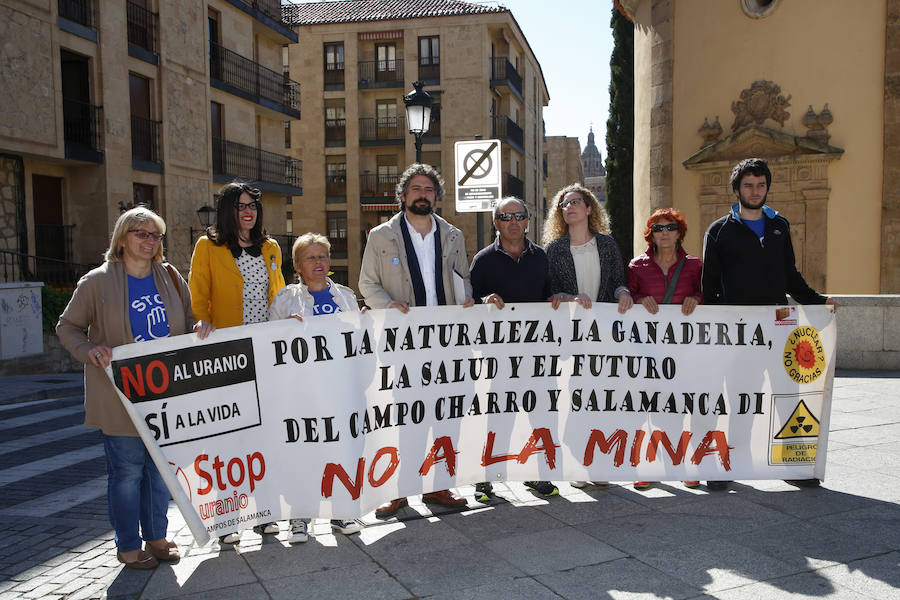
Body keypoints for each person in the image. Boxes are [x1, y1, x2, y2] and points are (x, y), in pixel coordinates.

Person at [57, 207, 214, 570]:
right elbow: (68, 327)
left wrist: (199, 327)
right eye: (141, 233)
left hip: (164, 395)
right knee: (127, 473)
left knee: (160, 472)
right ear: (122, 238)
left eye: (155, 235)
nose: (149, 240)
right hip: (119, 397)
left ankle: (157, 536)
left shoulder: (170, 276)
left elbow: (188, 320)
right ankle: (128, 545)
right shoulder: (96, 282)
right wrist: (89, 349)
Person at [702, 157, 837, 491]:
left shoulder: (780, 226)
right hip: (741, 335)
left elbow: (790, 275)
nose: (755, 191)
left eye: (761, 185)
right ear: (736, 190)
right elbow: (710, 288)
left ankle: (796, 466)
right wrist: (726, 330)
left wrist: (818, 301)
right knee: (742, 400)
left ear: (767, 188)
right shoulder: (718, 231)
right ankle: (730, 464)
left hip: (780, 329)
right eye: (748, 185)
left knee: (788, 396)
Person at [359, 163, 474, 518]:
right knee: (407, 416)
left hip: (447, 340)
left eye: (428, 189)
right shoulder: (380, 236)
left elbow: (464, 279)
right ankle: (399, 490)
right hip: (403, 342)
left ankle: (439, 485)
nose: (422, 195)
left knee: (446, 414)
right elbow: (367, 284)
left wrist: (467, 298)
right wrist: (387, 306)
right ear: (403, 195)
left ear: (436, 196)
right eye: (416, 189)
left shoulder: (453, 235)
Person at [189, 181, 285, 542]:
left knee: (264, 436)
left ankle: (265, 512)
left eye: (253, 206)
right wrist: (201, 322)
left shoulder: (270, 247)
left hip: (265, 353)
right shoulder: (208, 246)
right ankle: (227, 517)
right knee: (228, 438)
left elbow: (278, 294)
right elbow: (198, 291)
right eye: (241, 206)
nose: (248, 212)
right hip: (226, 354)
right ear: (227, 210)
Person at [269, 232, 362, 541]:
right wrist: (286, 331)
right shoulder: (285, 299)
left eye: (322, 256)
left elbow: (359, 340)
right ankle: (299, 518)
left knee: (340, 450)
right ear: (297, 266)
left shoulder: (346, 296)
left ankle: (341, 512)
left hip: (340, 390)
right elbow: (269, 344)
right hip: (302, 392)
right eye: (310, 258)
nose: (318, 262)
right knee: (303, 453)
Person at [543, 183, 631, 490]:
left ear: (589, 208)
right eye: (564, 204)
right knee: (576, 402)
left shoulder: (607, 245)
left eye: (576, 202)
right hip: (571, 339)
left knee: (603, 401)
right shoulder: (554, 249)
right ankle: (578, 463)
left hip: (605, 337)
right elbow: (550, 293)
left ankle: (599, 462)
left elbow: (619, 281)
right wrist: (568, 297)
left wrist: (623, 293)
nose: (569, 207)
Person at [470, 196, 557, 500]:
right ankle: (486, 478)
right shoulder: (483, 260)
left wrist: (556, 299)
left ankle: (540, 475)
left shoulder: (541, 257)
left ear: (528, 221)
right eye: (506, 217)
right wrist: (483, 301)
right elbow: (468, 302)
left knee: (541, 416)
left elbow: (549, 294)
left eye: (519, 216)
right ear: (496, 223)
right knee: (498, 419)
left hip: (538, 355)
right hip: (500, 357)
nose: (514, 222)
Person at [626, 208, 702, 490]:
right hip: (646, 350)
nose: (665, 233)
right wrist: (638, 298)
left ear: (679, 233)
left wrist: (697, 298)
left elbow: (707, 293)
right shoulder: (637, 266)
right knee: (647, 406)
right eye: (658, 228)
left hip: (684, 348)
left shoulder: (695, 265)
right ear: (651, 235)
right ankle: (648, 466)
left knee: (678, 406)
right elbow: (625, 296)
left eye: (670, 227)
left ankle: (680, 464)